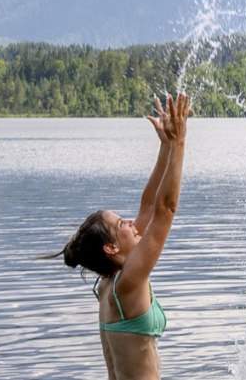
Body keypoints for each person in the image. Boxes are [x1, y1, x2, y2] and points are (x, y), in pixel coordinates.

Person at [49, 92, 190, 380]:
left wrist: (165, 147)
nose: (130, 222)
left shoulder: (109, 283)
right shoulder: (128, 283)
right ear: (112, 247)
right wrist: (180, 142)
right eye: (120, 223)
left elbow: (150, 206)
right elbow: (165, 209)